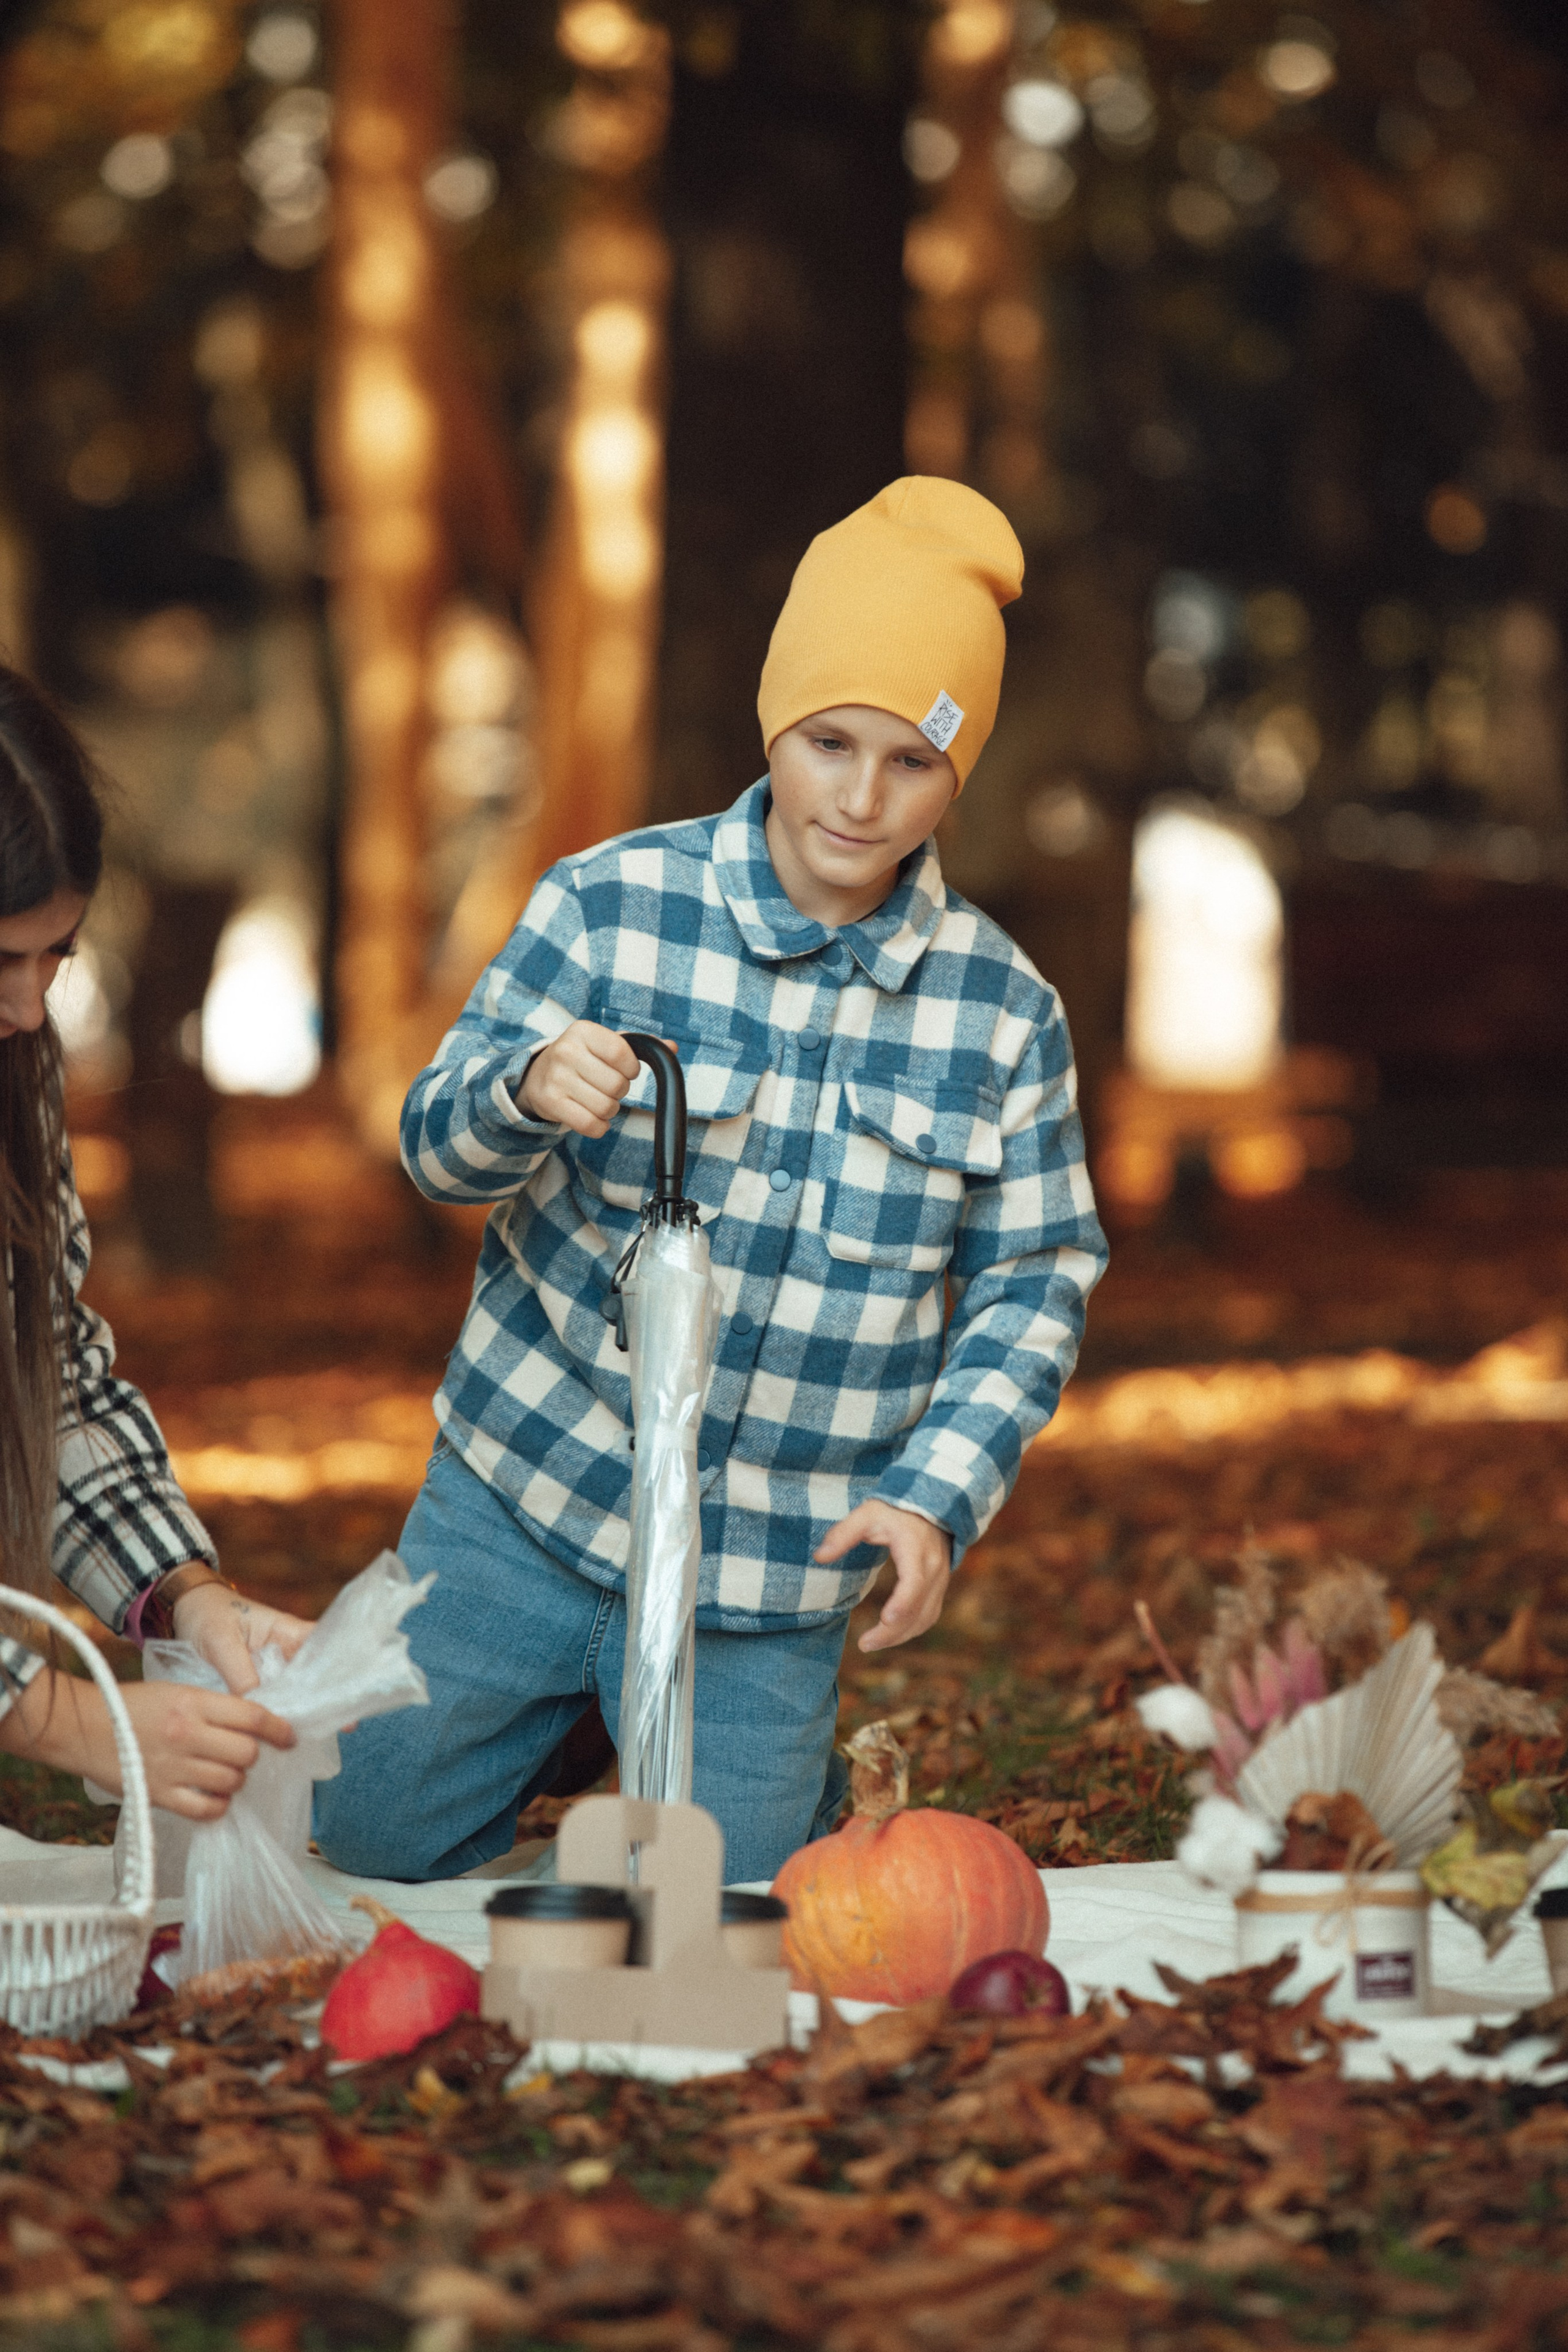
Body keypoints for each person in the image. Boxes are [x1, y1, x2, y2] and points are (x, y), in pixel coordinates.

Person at [315, 477, 1108, 1885]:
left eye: (909, 764)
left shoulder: (1001, 1013)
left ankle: (734, 1768)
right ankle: (545, 1715)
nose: (859, 800)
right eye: (827, 743)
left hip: (766, 1573)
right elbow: (433, 1145)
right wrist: (519, 1091)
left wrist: (934, 1491)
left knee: (733, 1905)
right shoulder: (606, 905)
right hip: (530, 1503)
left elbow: (1034, 1275)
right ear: (772, 723)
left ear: (957, 771)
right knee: (359, 1838)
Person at [0, 668, 314, 1822]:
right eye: (0, 961)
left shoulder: (14, 1082)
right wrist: (64, 1720)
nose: (32, 1011)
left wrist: (185, 1592)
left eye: (58, 958)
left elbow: (55, 1381)